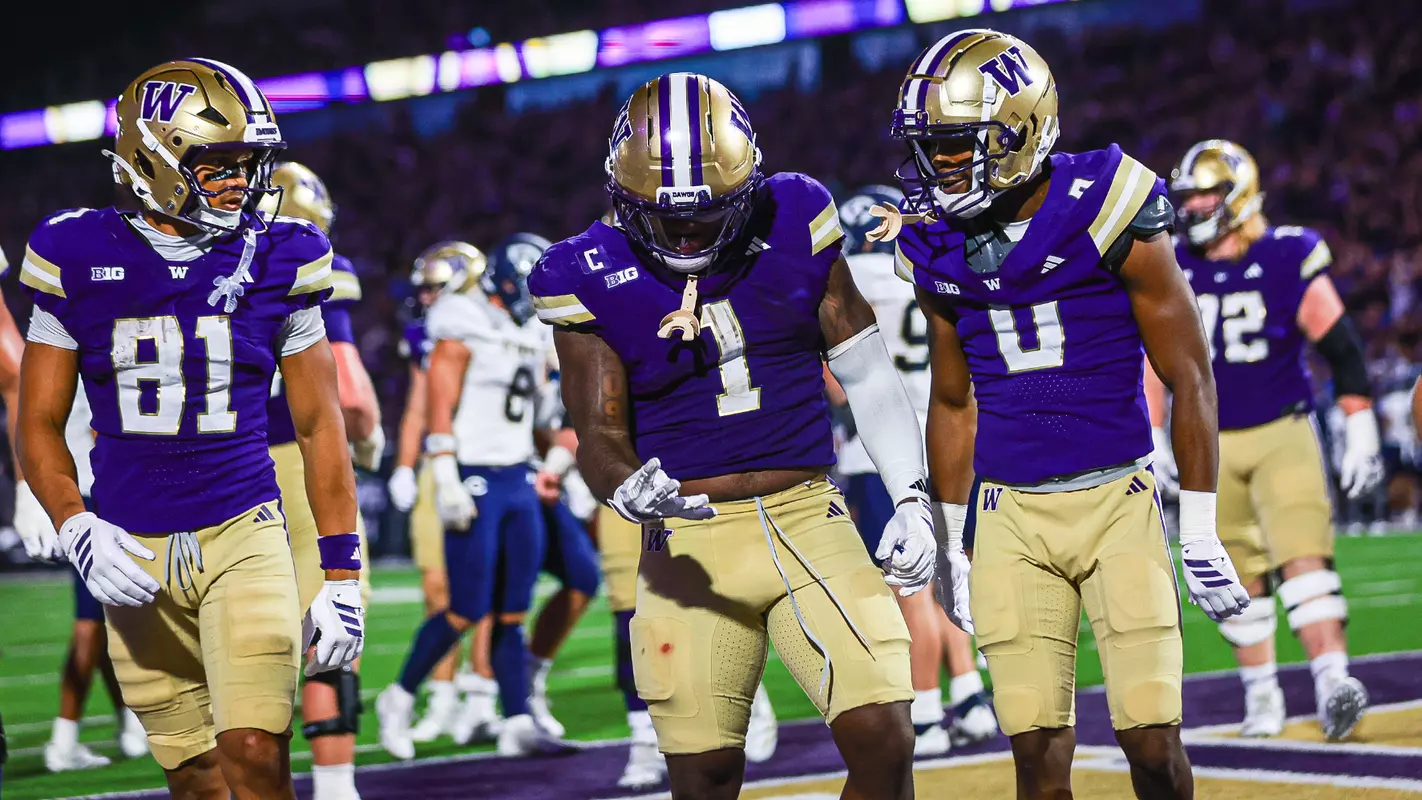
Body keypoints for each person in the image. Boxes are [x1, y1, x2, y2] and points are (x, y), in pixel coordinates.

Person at [532, 72, 931, 800]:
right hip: (687, 538)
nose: (687, 234)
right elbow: (596, 430)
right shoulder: (583, 269)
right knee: (705, 777)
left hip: (809, 514)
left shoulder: (796, 212)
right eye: (667, 217)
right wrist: (627, 485)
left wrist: (911, 495)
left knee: (885, 736)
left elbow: (868, 372)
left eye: (708, 214)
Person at [882, 31, 1248, 799]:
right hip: (1009, 513)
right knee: (1038, 760)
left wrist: (1203, 521)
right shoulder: (932, 244)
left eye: (957, 146)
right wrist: (952, 542)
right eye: (932, 149)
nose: (939, 165)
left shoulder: (1111, 201)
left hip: (1118, 498)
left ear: (1021, 129)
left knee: (1151, 743)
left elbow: (1189, 371)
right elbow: (953, 400)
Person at [16, 58, 364, 799]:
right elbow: (38, 420)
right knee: (195, 773)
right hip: (131, 547)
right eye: (220, 163)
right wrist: (74, 523)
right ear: (154, 156)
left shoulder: (283, 255)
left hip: (246, 531)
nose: (242, 181)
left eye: (249, 163)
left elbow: (319, 425)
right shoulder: (74, 251)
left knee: (253, 750)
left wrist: (342, 574)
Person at [1148, 140, 1377, 740]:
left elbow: (1342, 346)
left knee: (1305, 561)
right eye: (1188, 196)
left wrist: (1360, 424)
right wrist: (1154, 433)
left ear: (1238, 195)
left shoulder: (1285, 253)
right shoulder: (1175, 264)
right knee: (1235, 575)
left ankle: (1332, 685)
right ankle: (1263, 697)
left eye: (1205, 194)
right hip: (1209, 442)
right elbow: (1152, 362)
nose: (1193, 206)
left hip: (1282, 429)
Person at [377, 234, 571, 759]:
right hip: (474, 473)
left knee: (511, 612)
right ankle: (399, 697)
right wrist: (444, 476)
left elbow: (550, 400)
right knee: (465, 607)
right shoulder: (460, 319)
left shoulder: (529, 326)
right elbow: (437, 405)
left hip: (518, 476)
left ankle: (516, 721)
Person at [826, 185, 998, 755]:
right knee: (952, 571)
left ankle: (925, 708)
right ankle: (970, 695)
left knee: (912, 589)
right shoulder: (926, 270)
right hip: (945, 439)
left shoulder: (850, 283)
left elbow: (840, 387)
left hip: (883, 455)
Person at [258, 161, 383, 799]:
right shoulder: (306, 260)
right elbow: (352, 395)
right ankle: (335, 786)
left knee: (244, 636)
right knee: (333, 619)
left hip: (228, 470)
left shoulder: (210, 263)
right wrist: (368, 436)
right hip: (302, 461)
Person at [387, 242, 502, 746]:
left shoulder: (496, 323)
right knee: (439, 589)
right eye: (425, 289)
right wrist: (405, 467)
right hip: (441, 464)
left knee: (487, 590)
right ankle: (442, 695)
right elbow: (418, 405)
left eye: (435, 287)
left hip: (485, 460)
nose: (427, 297)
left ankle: (482, 695)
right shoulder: (427, 334)